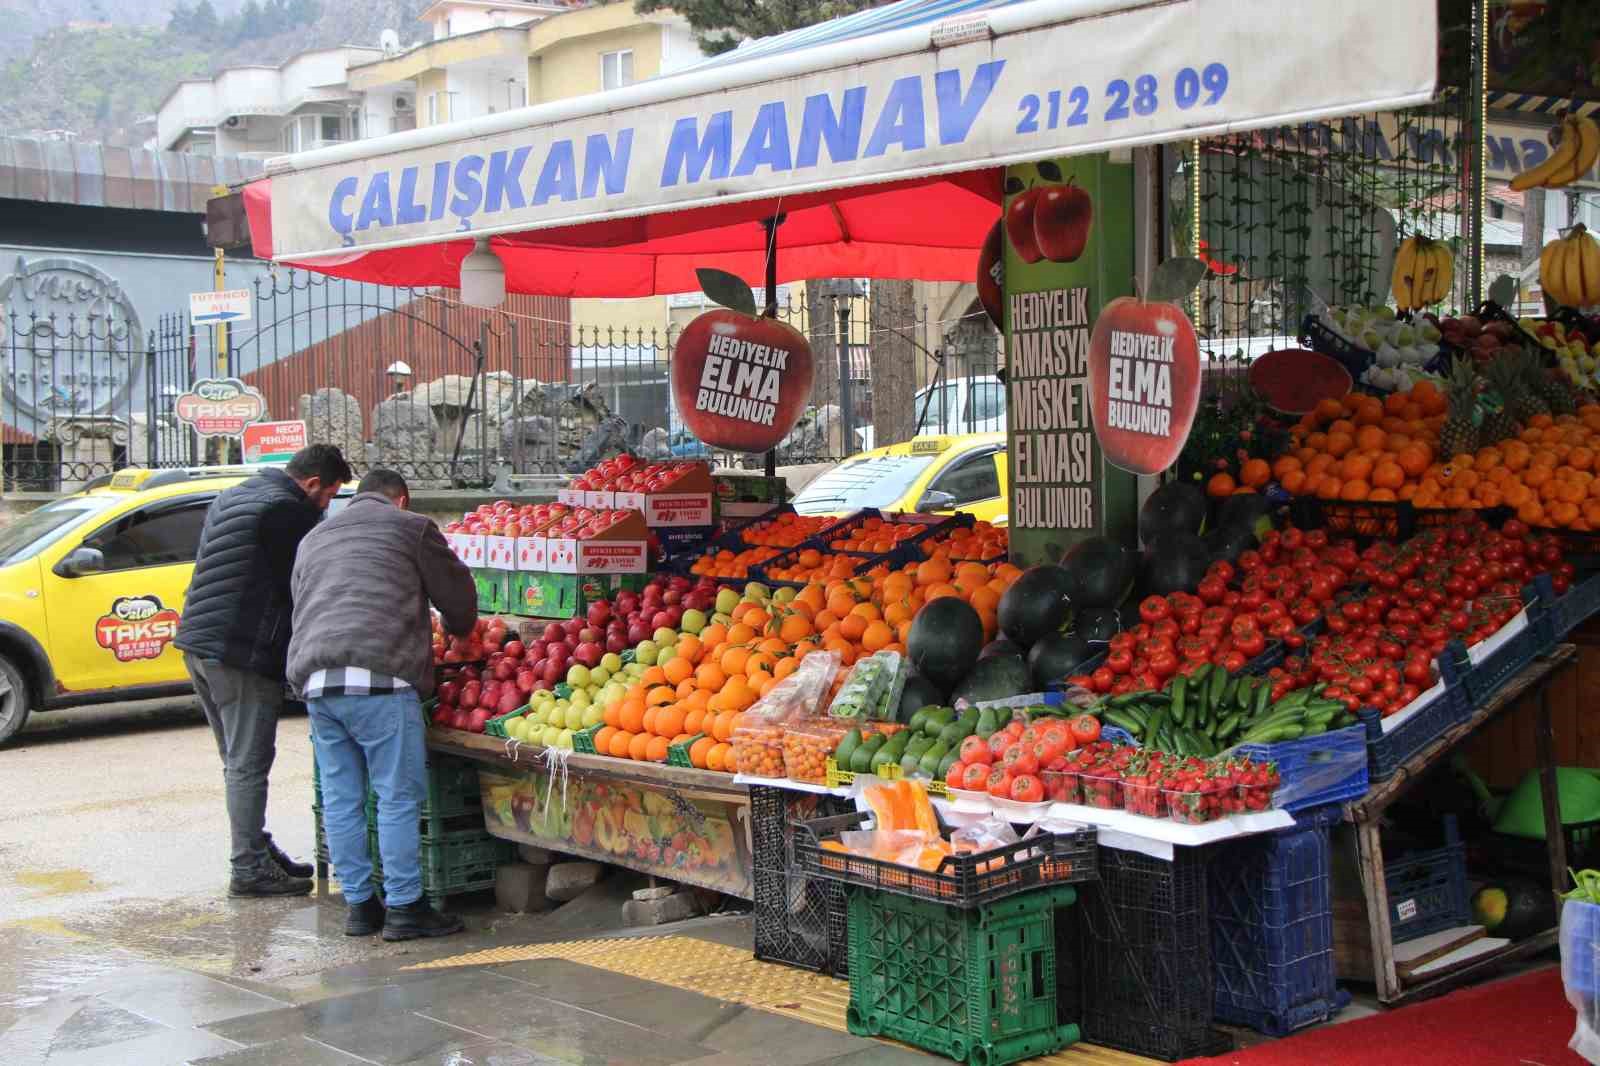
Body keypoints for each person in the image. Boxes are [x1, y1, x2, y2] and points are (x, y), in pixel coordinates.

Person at [287, 468, 478, 940]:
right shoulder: (410, 527)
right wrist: (459, 629)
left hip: (317, 679)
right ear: (402, 500)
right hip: (380, 679)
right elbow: (457, 596)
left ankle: (359, 907)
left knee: (342, 797)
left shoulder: (315, 537)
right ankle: (406, 907)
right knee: (395, 795)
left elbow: (302, 601)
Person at [176, 444, 352, 898]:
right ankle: (248, 867)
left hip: (199, 642)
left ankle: (254, 845)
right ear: (313, 484)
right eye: (330, 495)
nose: (327, 505)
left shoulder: (237, 494)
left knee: (237, 761)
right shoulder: (287, 512)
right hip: (240, 652)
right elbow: (304, 587)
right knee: (248, 763)